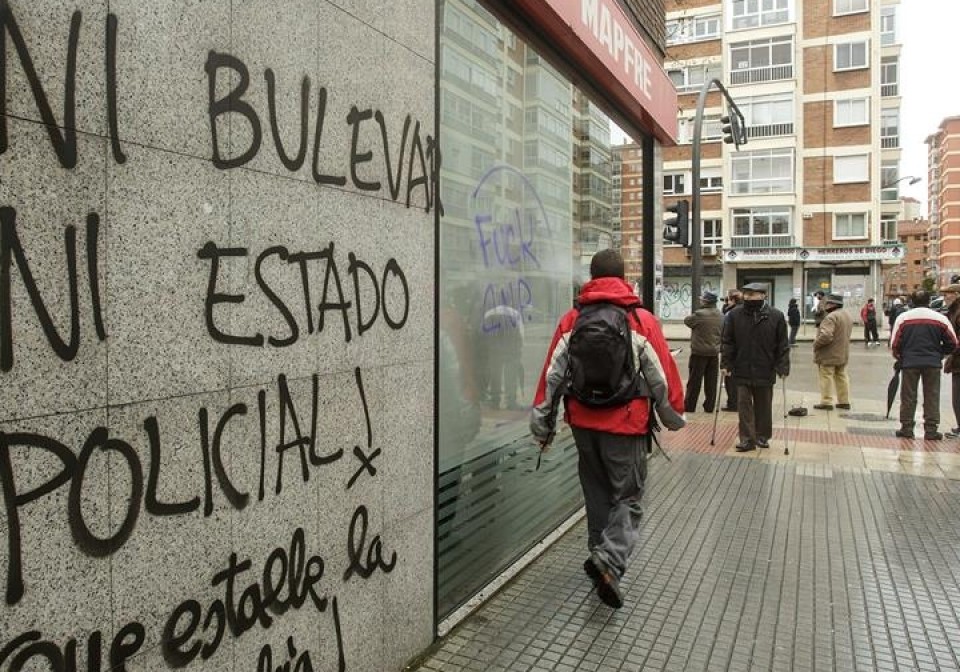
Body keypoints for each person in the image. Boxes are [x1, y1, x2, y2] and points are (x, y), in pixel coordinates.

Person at [529, 249, 685, 608]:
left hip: (583, 423)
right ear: (623, 276)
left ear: (592, 276)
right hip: (625, 424)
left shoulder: (572, 319)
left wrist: (542, 426)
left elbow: (551, 377)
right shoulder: (640, 319)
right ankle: (610, 561)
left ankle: (598, 556)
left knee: (596, 494)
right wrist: (673, 415)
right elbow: (661, 376)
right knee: (627, 498)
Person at [721, 282, 790, 452]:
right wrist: (725, 363)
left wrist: (782, 366)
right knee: (744, 405)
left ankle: (762, 436)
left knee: (763, 405)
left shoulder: (776, 316)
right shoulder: (735, 315)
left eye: (754, 295)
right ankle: (747, 439)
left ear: (763, 296)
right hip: (741, 367)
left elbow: (782, 344)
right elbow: (727, 341)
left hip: (765, 368)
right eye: (747, 294)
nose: (749, 298)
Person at [890, 290, 958, 440]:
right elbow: (953, 343)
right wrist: (940, 354)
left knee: (908, 396)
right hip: (932, 364)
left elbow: (894, 344)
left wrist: (901, 356)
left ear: (912, 302)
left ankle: (907, 428)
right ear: (929, 301)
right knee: (932, 396)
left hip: (909, 363)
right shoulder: (940, 318)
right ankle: (931, 430)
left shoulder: (903, 318)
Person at [683, 290, 723, 413]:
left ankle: (690, 406)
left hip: (699, 353)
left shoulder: (699, 315)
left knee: (694, 381)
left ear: (705, 301)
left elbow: (687, 321)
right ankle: (709, 406)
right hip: (714, 352)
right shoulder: (721, 315)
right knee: (711, 382)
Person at [813, 293, 854, 411]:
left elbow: (826, 335)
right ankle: (844, 401)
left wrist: (816, 344)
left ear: (832, 304)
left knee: (826, 376)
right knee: (842, 376)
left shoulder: (830, 317)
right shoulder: (847, 315)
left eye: (828, 303)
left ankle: (826, 402)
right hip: (842, 352)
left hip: (829, 354)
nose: (826, 305)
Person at [940, 284, 960, 438]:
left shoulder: (958, 312)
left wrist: (952, 350)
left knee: (957, 397)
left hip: (958, 360)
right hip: (956, 360)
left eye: (948, 294)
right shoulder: (953, 311)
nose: (945, 297)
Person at [720, 289, 743, 412]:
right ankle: (737, 402)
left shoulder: (731, 314)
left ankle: (733, 403)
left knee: (730, 379)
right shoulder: (744, 311)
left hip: (732, 350)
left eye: (728, 299)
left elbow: (726, 333)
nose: (726, 302)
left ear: (733, 300)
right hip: (742, 350)